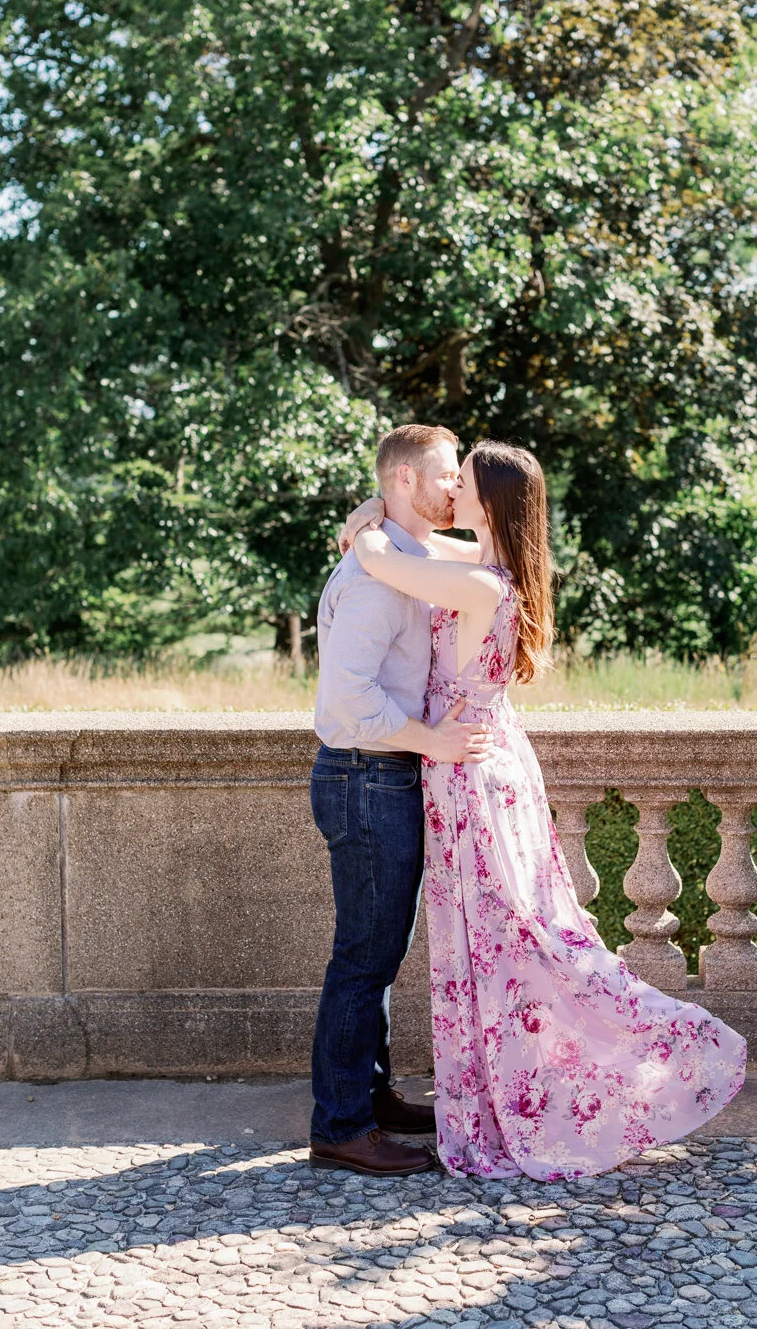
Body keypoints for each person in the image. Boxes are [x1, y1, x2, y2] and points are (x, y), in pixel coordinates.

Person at [340, 440, 746, 1180]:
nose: (451, 490)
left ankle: (669, 1041)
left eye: (461, 481)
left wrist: (368, 525)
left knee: (512, 941)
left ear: (488, 501)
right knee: (499, 941)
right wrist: (377, 509)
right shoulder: (486, 571)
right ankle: (503, 1095)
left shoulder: (484, 586)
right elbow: (420, 548)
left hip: (469, 777)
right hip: (481, 766)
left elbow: (387, 563)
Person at [309, 423, 494, 1177]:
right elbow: (346, 701)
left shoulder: (400, 556)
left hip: (380, 775)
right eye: (448, 475)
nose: (456, 486)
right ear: (409, 482)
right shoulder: (377, 577)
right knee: (362, 957)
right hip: (365, 773)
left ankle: (373, 1098)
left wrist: (369, 517)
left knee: (377, 954)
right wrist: (433, 741)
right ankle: (341, 1125)